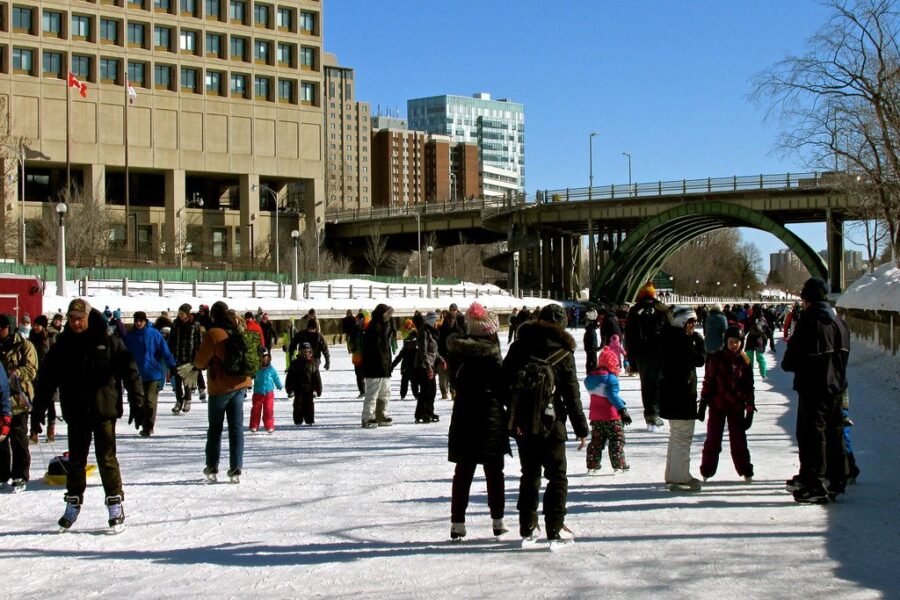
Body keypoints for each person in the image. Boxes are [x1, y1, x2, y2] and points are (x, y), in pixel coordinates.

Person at [31, 299, 145, 531]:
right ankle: (73, 503)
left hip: (103, 409)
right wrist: (39, 410)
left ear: (88, 316)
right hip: (76, 411)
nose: (75, 323)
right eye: (71, 319)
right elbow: (46, 380)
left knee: (106, 458)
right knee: (76, 461)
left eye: (79, 318)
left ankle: (115, 503)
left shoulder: (108, 341)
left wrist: (138, 401)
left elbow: (129, 371)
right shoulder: (62, 345)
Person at [503, 304, 588, 544]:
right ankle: (555, 526)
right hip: (553, 422)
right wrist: (581, 429)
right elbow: (572, 394)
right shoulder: (563, 352)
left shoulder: (519, 347)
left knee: (529, 474)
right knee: (557, 476)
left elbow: (504, 384)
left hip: (523, 423)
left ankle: (528, 524)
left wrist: (513, 414)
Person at [445, 302, 511, 541]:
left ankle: (457, 523)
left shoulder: (458, 354)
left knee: (463, 472)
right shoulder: (492, 356)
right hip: (490, 417)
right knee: (494, 472)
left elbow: (454, 381)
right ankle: (498, 520)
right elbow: (504, 390)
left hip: (463, 416)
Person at [781, 277, 850, 504]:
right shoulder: (840, 323)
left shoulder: (809, 322)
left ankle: (815, 482)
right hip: (837, 386)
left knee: (812, 434)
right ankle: (836, 478)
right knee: (834, 431)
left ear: (807, 299)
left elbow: (790, 360)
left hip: (813, 386)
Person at [193, 301, 252, 483]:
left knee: (215, 429)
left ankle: (212, 465)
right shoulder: (241, 326)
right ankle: (236, 467)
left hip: (220, 386)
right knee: (236, 428)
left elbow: (200, 361)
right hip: (240, 383)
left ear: (213, 315)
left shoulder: (214, 333)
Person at [659, 306, 706, 492]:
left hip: (672, 395)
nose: (694, 325)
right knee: (682, 437)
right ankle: (680, 477)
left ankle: (672, 474)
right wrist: (698, 342)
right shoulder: (680, 340)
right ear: (681, 322)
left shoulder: (668, 337)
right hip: (681, 396)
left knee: (676, 436)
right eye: (691, 321)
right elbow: (700, 360)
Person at [698, 326, 755, 482]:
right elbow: (708, 381)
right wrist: (703, 402)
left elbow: (749, 386)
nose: (734, 345)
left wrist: (750, 408)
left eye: (737, 342)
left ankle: (745, 469)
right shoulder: (716, 358)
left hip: (736, 407)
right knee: (713, 439)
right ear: (726, 342)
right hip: (717, 405)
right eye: (731, 342)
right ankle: (707, 470)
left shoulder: (744, 360)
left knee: (739, 441)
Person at [624, 281, 671, 431]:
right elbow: (673, 331)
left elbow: (629, 337)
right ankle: (657, 413)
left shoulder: (634, 310)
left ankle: (650, 414)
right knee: (658, 383)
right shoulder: (662, 308)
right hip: (660, 353)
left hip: (641, 354)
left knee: (646, 384)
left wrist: (631, 360)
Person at [0, 314, 38, 492]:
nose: (0, 330)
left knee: (19, 439)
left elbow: (32, 370)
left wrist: (16, 373)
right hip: (2, 400)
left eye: (3, 327)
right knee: (1, 440)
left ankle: (20, 475)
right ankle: (2, 475)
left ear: (11, 327)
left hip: (19, 399)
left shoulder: (24, 345)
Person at [124, 311, 176, 437]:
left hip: (153, 372)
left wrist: (172, 365)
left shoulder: (154, 334)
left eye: (140, 321)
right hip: (136, 373)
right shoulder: (130, 337)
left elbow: (164, 350)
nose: (138, 323)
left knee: (150, 401)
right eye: (136, 321)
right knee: (138, 400)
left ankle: (149, 426)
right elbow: (123, 354)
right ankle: (142, 420)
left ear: (145, 321)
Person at [584, 346, 632, 476]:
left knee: (596, 441)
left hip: (596, 416)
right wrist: (622, 410)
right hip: (612, 416)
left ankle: (592, 465)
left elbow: (602, 394)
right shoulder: (611, 378)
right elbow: (612, 396)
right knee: (616, 440)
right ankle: (619, 464)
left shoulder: (589, 379)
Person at [360, 303, 394, 428]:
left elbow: (386, 350)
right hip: (373, 368)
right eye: (387, 315)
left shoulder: (385, 328)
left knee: (385, 393)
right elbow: (372, 351)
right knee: (372, 394)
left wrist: (388, 366)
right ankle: (368, 417)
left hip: (384, 368)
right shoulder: (373, 328)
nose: (389, 317)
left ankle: (381, 414)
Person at [168, 303, 203, 415]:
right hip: (177, 356)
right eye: (179, 313)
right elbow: (171, 339)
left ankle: (187, 400)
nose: (180, 315)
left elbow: (199, 342)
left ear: (187, 314)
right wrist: (169, 352)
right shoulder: (175, 324)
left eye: (182, 313)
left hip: (189, 357)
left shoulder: (195, 325)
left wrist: (198, 356)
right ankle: (179, 401)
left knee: (187, 381)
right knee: (177, 381)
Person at [28, 315, 54, 443]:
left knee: (50, 402)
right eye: (35, 325)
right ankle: (33, 432)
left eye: (38, 325)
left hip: (48, 374)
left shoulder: (49, 338)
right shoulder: (31, 338)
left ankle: (51, 429)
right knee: (34, 403)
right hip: (35, 375)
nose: (35, 327)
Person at [414, 311, 442, 424]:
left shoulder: (432, 332)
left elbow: (434, 350)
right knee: (426, 390)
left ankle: (429, 411)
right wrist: (428, 366)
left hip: (430, 365)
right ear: (431, 321)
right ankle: (421, 413)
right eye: (436, 321)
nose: (437, 323)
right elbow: (423, 351)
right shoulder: (424, 332)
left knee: (432, 390)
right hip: (422, 366)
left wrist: (441, 359)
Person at [286, 342, 322, 426]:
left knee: (309, 406)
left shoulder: (313, 364)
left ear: (310, 352)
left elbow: (317, 379)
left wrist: (317, 390)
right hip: (298, 390)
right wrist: (290, 390)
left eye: (308, 352)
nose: (306, 354)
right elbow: (290, 378)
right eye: (303, 352)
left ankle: (309, 420)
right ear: (300, 352)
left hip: (309, 390)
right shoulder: (295, 364)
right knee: (297, 405)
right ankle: (298, 420)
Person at [250, 349, 282, 432]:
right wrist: (248, 384)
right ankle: (254, 425)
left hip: (269, 393)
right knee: (256, 410)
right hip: (258, 393)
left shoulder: (271, 369)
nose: (264, 359)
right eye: (262, 358)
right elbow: (249, 376)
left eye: (266, 357)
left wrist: (279, 385)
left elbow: (276, 378)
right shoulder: (256, 369)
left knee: (268, 409)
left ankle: (269, 425)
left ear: (269, 358)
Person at [438, 303, 466, 399]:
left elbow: (463, 335)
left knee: (453, 374)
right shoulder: (443, 326)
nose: (452, 311)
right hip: (445, 353)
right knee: (443, 375)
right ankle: (445, 392)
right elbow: (440, 340)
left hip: (456, 354)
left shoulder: (461, 322)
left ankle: (453, 391)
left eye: (454, 309)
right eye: (451, 309)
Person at [391, 319, 419, 401]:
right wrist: (391, 366)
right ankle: (402, 394)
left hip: (414, 368)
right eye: (408, 344)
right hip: (405, 368)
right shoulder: (405, 350)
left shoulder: (416, 351)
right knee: (404, 383)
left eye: (412, 344)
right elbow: (398, 359)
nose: (410, 345)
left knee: (414, 383)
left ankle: (416, 395)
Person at [744, 312, 773, 379]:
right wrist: (765, 343)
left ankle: (749, 374)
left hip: (750, 341)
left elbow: (745, 329)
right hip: (759, 340)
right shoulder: (762, 320)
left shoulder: (751, 319)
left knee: (749, 359)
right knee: (760, 359)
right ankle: (764, 374)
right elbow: (768, 331)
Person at [348, 311, 368, 398]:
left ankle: (367, 390)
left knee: (366, 374)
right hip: (356, 356)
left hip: (366, 356)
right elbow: (350, 341)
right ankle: (362, 391)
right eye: (358, 319)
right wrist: (352, 347)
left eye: (361, 319)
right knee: (358, 375)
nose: (360, 321)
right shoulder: (354, 329)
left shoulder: (367, 329)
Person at [583, 309, 600, 373]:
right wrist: (594, 347)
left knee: (589, 360)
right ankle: (593, 371)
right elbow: (592, 340)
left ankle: (590, 370)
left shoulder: (589, 330)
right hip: (592, 348)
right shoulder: (591, 331)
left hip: (589, 348)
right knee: (592, 360)